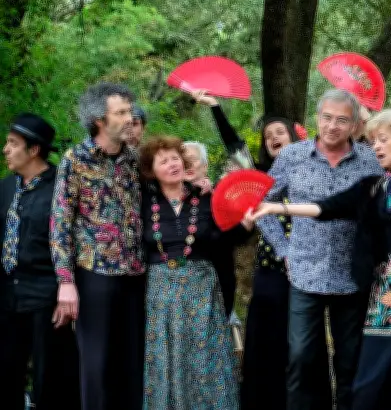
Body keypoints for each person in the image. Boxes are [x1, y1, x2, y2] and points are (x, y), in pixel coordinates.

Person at [252, 109, 391, 410]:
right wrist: (276, 209)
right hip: (387, 294)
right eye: (371, 141)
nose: (375, 147)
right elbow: (326, 207)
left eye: (382, 140)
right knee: (372, 381)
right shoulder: (373, 186)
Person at [193, 89, 318, 409]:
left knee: (303, 345)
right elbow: (235, 148)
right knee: (264, 340)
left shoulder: (319, 173)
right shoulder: (260, 178)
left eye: (281, 132)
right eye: (268, 136)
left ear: (295, 137)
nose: (274, 138)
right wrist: (217, 108)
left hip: (311, 272)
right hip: (271, 269)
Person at [260, 88, 382, 410]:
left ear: (355, 124)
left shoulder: (371, 160)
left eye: (342, 120)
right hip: (304, 271)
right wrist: (283, 249)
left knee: (350, 359)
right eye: (327, 118)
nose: (332, 126)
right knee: (300, 356)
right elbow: (263, 204)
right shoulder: (292, 156)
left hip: (352, 275)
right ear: (317, 118)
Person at [138, 135, 252, 409]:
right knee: (166, 354)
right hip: (160, 290)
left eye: (175, 158)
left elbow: (220, 237)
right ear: (152, 170)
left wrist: (244, 225)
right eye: (163, 161)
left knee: (204, 351)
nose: (172, 164)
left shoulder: (205, 198)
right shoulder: (142, 201)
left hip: (201, 286)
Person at [50, 82, 145, 410]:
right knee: (97, 364)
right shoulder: (75, 159)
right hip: (94, 274)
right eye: (120, 112)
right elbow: (60, 222)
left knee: (131, 365)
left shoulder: (134, 160)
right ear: (99, 120)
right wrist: (66, 281)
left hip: (135, 274)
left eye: (129, 111)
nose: (129, 118)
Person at [0, 114, 80, 410]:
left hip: (48, 295)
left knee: (52, 378)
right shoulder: (6, 187)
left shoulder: (62, 187)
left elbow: (75, 242)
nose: (6, 149)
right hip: (8, 295)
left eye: (13, 144)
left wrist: (67, 287)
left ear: (33, 150)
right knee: (7, 372)